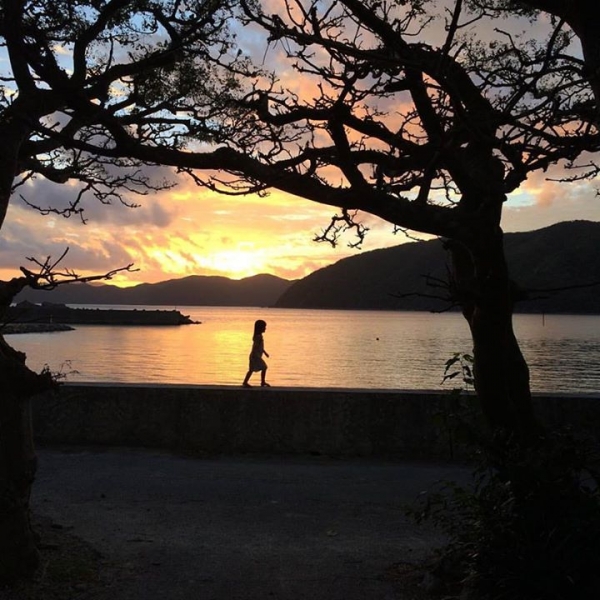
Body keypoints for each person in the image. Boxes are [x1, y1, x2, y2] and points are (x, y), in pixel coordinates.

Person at [242, 319, 270, 387]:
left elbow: (260, 347)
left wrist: (265, 352)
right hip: (255, 356)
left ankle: (245, 382)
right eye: (264, 327)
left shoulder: (259, 336)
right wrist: (256, 355)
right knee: (264, 367)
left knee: (251, 369)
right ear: (260, 328)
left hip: (255, 356)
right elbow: (256, 346)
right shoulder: (258, 337)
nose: (265, 328)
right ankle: (262, 382)